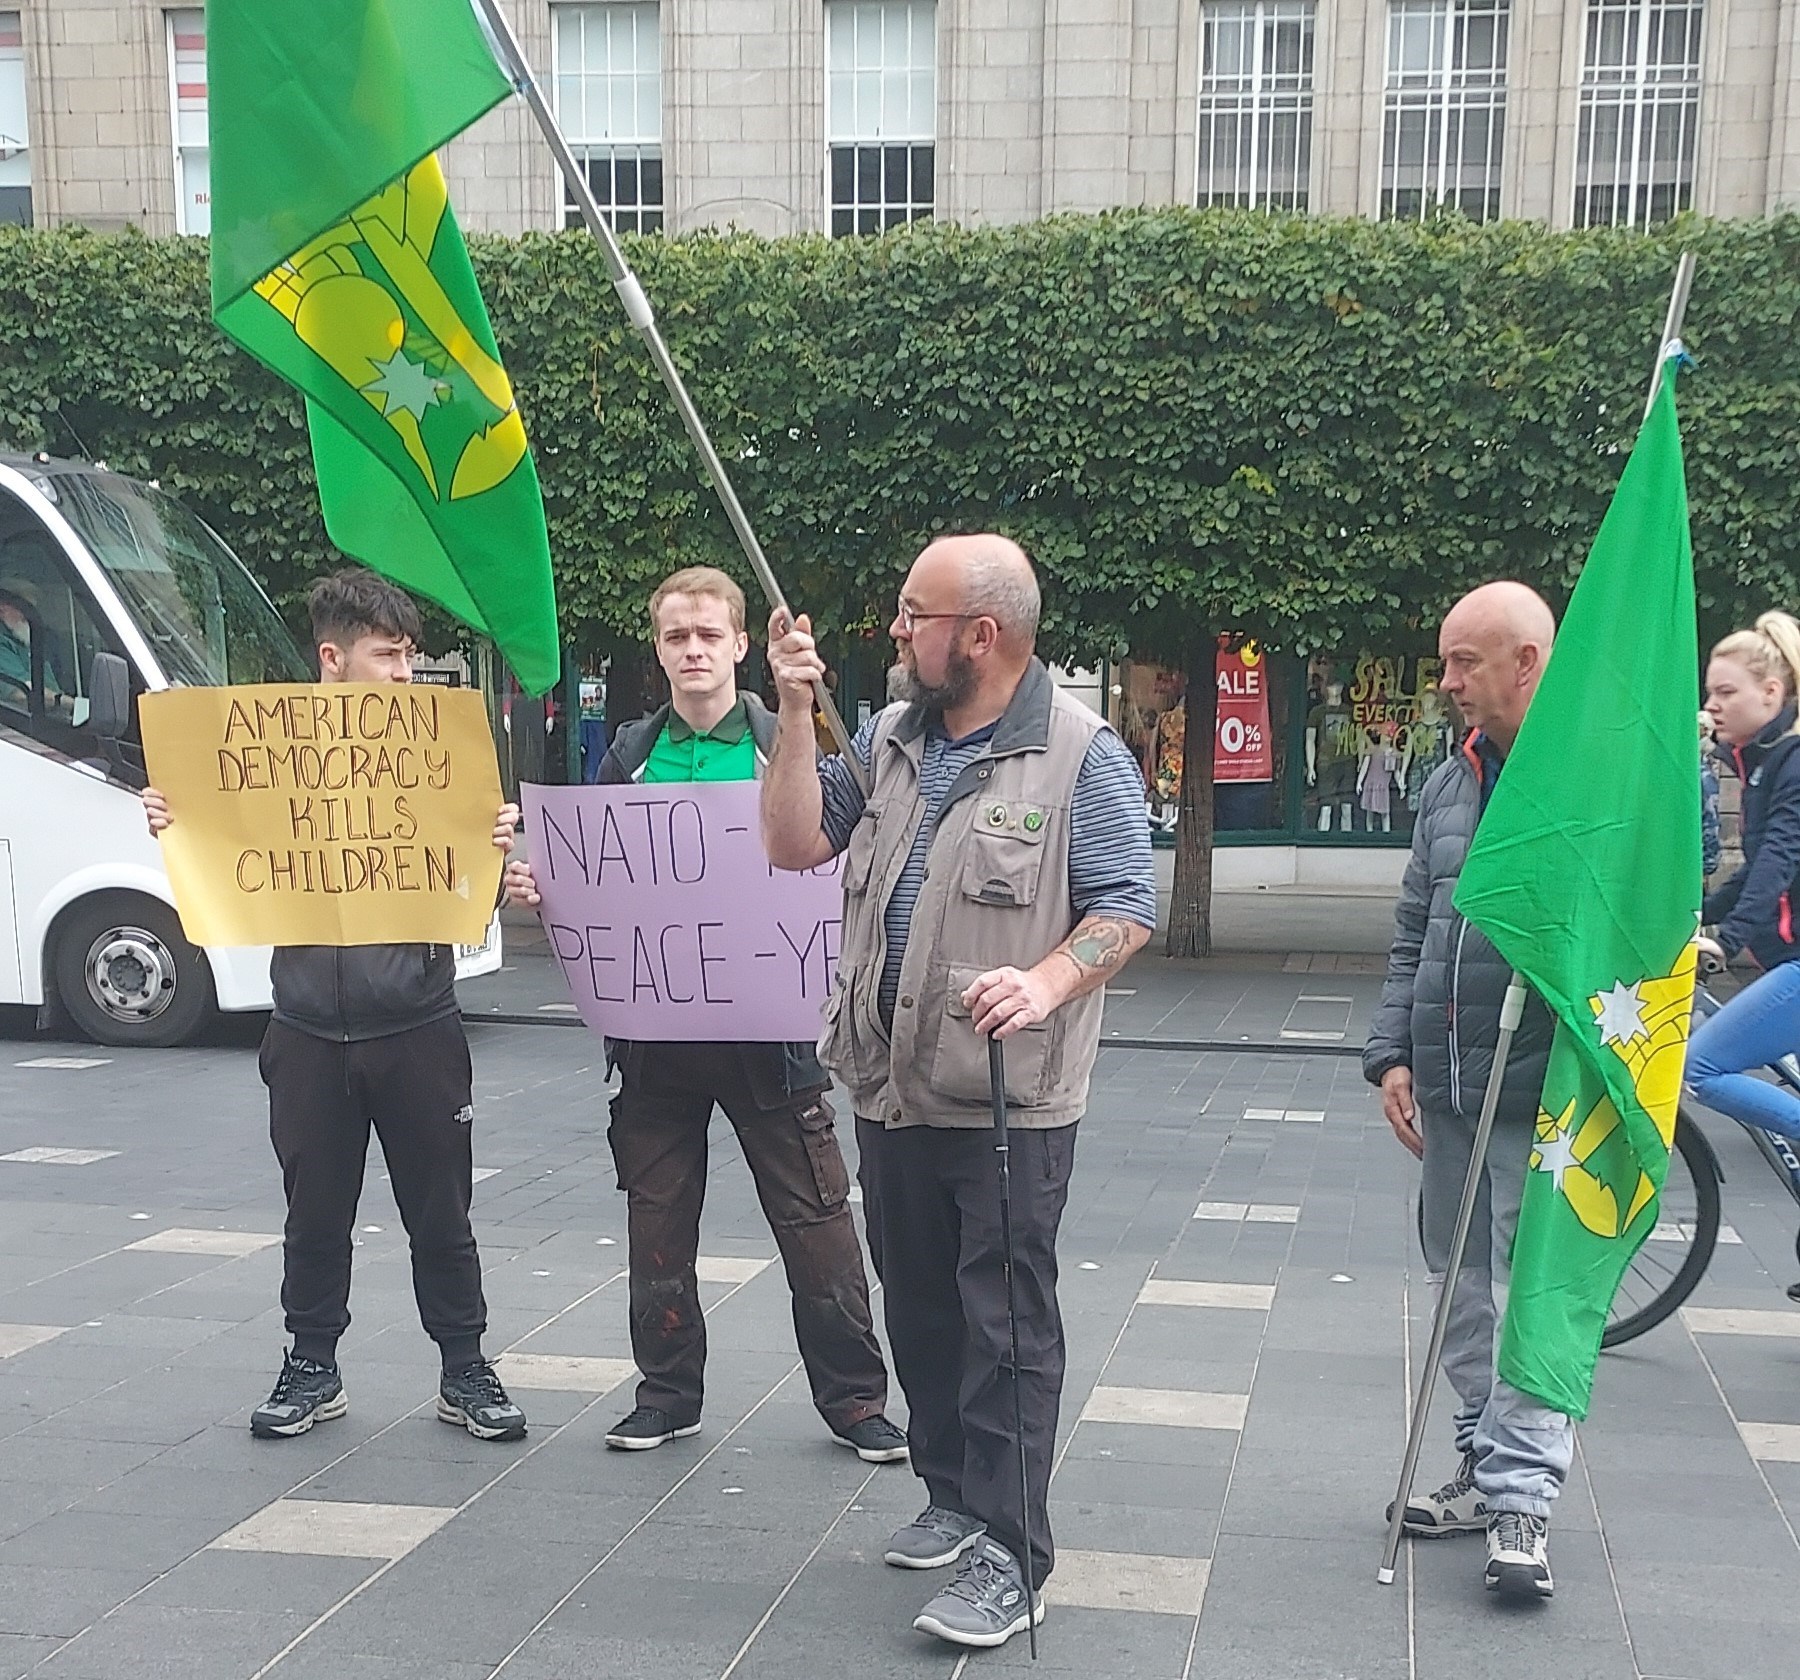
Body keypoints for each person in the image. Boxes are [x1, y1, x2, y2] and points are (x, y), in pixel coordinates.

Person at [762, 534, 1157, 1650]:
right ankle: (950, 1492)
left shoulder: (1084, 757)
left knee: (1008, 1326)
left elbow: (1125, 908)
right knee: (921, 1306)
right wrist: (793, 716)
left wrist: (1044, 979)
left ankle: (1013, 1554)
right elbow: (794, 844)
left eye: (911, 613)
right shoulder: (886, 739)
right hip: (888, 1087)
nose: (894, 631)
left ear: (980, 636)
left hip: (1005, 1099)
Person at [503, 566, 905, 1461]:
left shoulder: (783, 743)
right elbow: (598, 879)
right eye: (677, 636)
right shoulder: (625, 758)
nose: (693, 650)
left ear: (737, 646)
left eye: (708, 635)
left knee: (818, 1223)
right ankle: (666, 1393)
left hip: (773, 1039)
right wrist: (543, 885)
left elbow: (847, 848)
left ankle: (856, 1403)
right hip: (655, 1040)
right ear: (659, 649)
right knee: (657, 1221)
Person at [142, 569, 528, 1444]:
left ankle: (464, 1365)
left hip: (418, 1021)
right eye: (387, 656)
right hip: (308, 1026)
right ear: (333, 658)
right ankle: (312, 1362)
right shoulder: (271, 755)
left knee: (442, 1207)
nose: (403, 673)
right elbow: (222, 837)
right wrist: (177, 816)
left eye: (409, 657)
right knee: (314, 1209)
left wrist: (490, 843)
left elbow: (471, 888)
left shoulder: (434, 752)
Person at [1363, 580, 1568, 1601]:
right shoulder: (1451, 781)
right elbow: (1416, 933)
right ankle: (1484, 1469)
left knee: (1527, 1289)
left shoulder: (1585, 781)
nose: (1446, 682)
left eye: (1463, 662)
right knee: (1458, 1283)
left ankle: (1524, 1495)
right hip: (1448, 1080)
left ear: (1528, 660)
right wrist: (1390, 1053)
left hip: (1544, 1093)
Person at [1686, 613, 1800, 1143]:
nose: (1712, 705)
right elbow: (1754, 870)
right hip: (1785, 959)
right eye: (1710, 692)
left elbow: (1780, 858)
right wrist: (1695, 915)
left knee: (1701, 1066)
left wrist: (1725, 941)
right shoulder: (1762, 763)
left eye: (1726, 692)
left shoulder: (1792, 762)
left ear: (1771, 693)